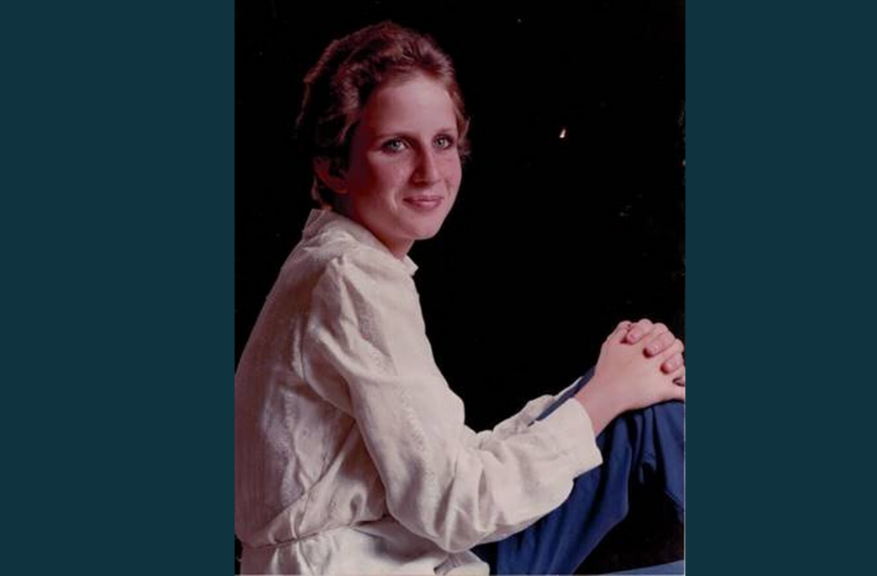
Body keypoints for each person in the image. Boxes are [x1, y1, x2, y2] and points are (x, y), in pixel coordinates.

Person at [234, 21, 686, 575]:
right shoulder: (350, 276)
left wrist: (614, 382)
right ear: (333, 167)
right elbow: (455, 505)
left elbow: (448, 469)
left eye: (442, 142)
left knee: (642, 406)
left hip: (414, 551)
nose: (429, 172)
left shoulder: (339, 263)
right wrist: (605, 395)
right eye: (396, 145)